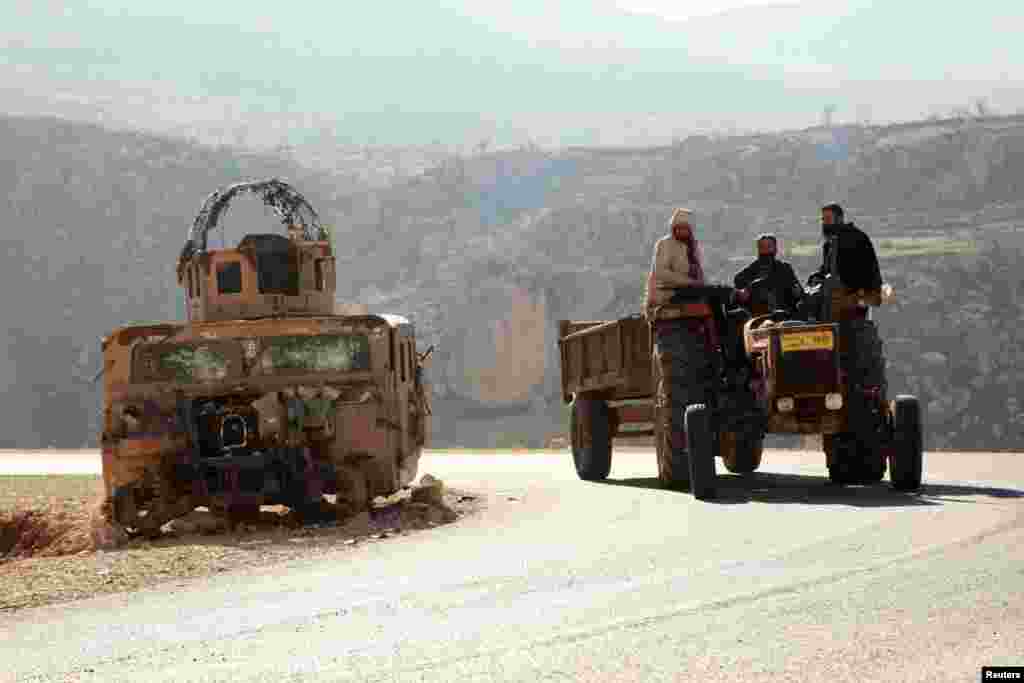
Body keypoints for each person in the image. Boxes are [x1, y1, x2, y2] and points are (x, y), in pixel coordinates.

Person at [643, 208, 717, 484]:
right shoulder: (665, 245)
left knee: (722, 301)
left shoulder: (693, 248)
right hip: (669, 297)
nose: (682, 231)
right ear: (673, 227)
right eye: (679, 227)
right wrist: (692, 283)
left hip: (689, 293)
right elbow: (661, 273)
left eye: (686, 227)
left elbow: (698, 275)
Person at [807, 203, 882, 291]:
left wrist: (828, 280)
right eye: (824, 219)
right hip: (840, 289)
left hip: (861, 289)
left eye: (828, 219)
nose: (825, 223)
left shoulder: (855, 238)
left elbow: (854, 270)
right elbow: (827, 270)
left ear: (839, 219)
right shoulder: (829, 244)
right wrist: (816, 277)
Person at [733, 233, 804, 315]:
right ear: (758, 249)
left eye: (769, 247)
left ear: (775, 249)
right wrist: (744, 292)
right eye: (762, 247)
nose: (766, 250)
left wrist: (797, 292)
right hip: (758, 315)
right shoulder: (748, 272)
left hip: (784, 313)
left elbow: (798, 292)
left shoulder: (785, 269)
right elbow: (738, 290)